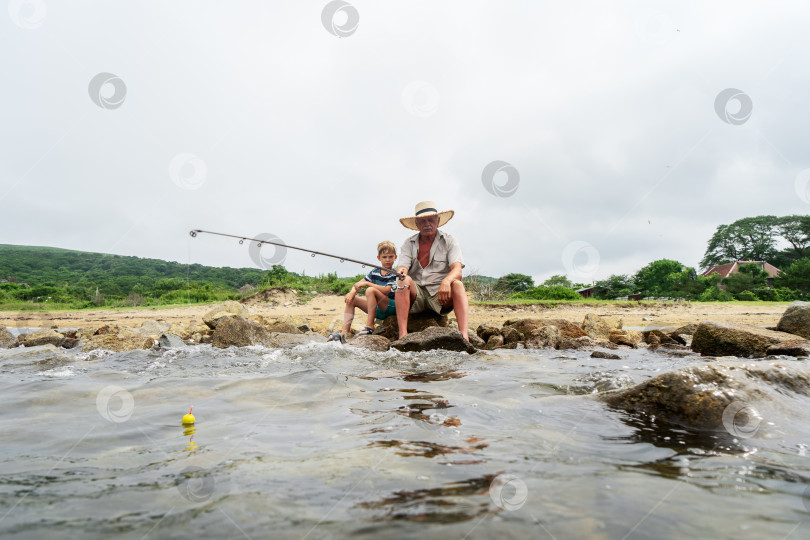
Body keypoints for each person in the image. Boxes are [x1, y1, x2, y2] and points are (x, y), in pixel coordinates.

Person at [394, 201, 470, 341]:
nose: (426, 223)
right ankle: (402, 334)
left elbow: (457, 269)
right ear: (417, 224)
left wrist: (446, 281)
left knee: (457, 284)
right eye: (422, 221)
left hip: (440, 296)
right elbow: (402, 267)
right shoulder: (408, 243)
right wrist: (402, 272)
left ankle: (464, 336)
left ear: (438, 221)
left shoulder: (450, 241)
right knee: (402, 280)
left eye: (430, 219)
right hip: (416, 295)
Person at [327, 241, 398, 342]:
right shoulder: (374, 272)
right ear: (379, 258)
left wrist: (368, 284)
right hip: (377, 309)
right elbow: (358, 283)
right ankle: (344, 332)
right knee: (351, 299)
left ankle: (370, 326)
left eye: (390, 257)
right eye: (384, 257)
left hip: (389, 306)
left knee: (370, 290)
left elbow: (386, 290)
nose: (387, 260)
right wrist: (352, 292)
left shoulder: (395, 274)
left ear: (395, 257)